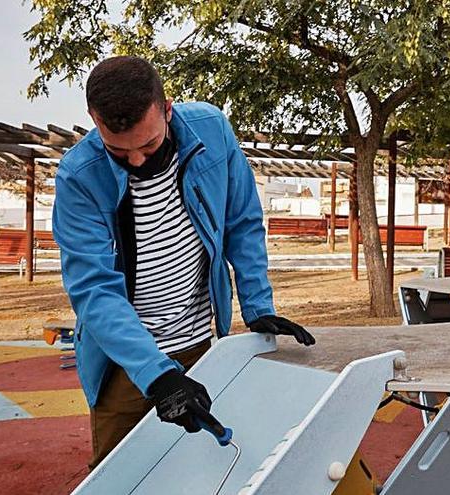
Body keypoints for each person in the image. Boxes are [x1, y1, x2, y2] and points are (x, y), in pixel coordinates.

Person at [52, 56, 315, 469]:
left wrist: (258, 305)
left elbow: (241, 221)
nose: (137, 161)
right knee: (120, 474)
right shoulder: (78, 177)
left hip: (198, 345)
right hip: (125, 363)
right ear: (93, 120)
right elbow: (94, 290)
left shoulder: (212, 129)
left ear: (167, 108)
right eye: (118, 150)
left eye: (150, 145)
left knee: (204, 467)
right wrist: (157, 375)